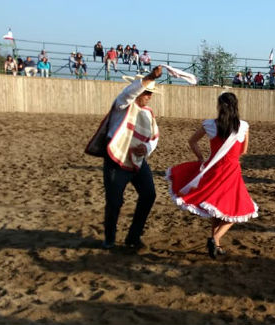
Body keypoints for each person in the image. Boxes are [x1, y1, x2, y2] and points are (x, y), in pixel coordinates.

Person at [166, 92, 258, 259]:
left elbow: (192, 141)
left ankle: (216, 245)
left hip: (213, 168)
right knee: (238, 209)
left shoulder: (210, 124)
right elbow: (244, 151)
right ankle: (215, 238)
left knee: (216, 207)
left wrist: (200, 157)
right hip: (231, 171)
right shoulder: (243, 126)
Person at [85, 66, 164, 250]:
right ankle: (110, 239)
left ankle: (133, 237)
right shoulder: (123, 104)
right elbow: (129, 92)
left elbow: (154, 137)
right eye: (146, 92)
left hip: (137, 161)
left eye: (150, 93)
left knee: (149, 195)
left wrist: (146, 148)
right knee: (114, 201)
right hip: (117, 159)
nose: (149, 96)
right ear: (138, 91)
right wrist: (151, 76)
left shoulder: (148, 113)